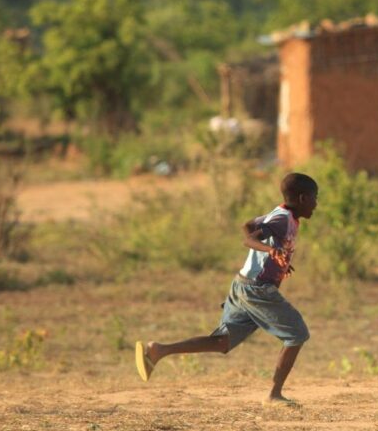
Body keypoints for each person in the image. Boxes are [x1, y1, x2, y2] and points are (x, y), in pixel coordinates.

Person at [134, 172, 318, 403]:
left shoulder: (282, 213)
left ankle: (158, 350)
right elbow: (249, 239)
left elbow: (248, 224)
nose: (316, 204)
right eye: (314, 198)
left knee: (222, 342)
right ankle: (274, 394)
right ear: (302, 199)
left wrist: (276, 262)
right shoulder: (282, 219)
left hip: (243, 286)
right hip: (257, 289)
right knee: (297, 333)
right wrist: (271, 251)